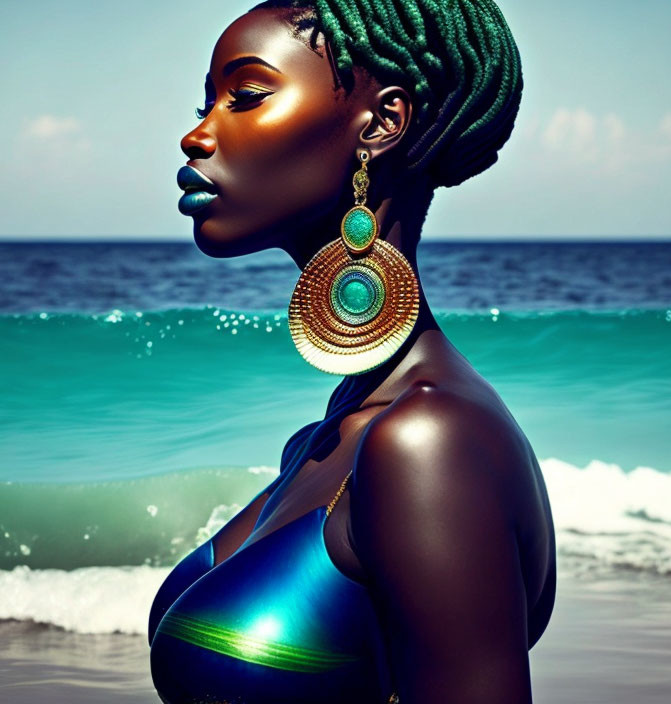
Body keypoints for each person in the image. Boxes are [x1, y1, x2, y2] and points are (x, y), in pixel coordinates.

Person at [148, 1, 556, 702]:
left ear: (380, 124)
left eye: (244, 97)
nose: (197, 135)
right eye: (206, 101)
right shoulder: (328, 436)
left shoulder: (428, 442)